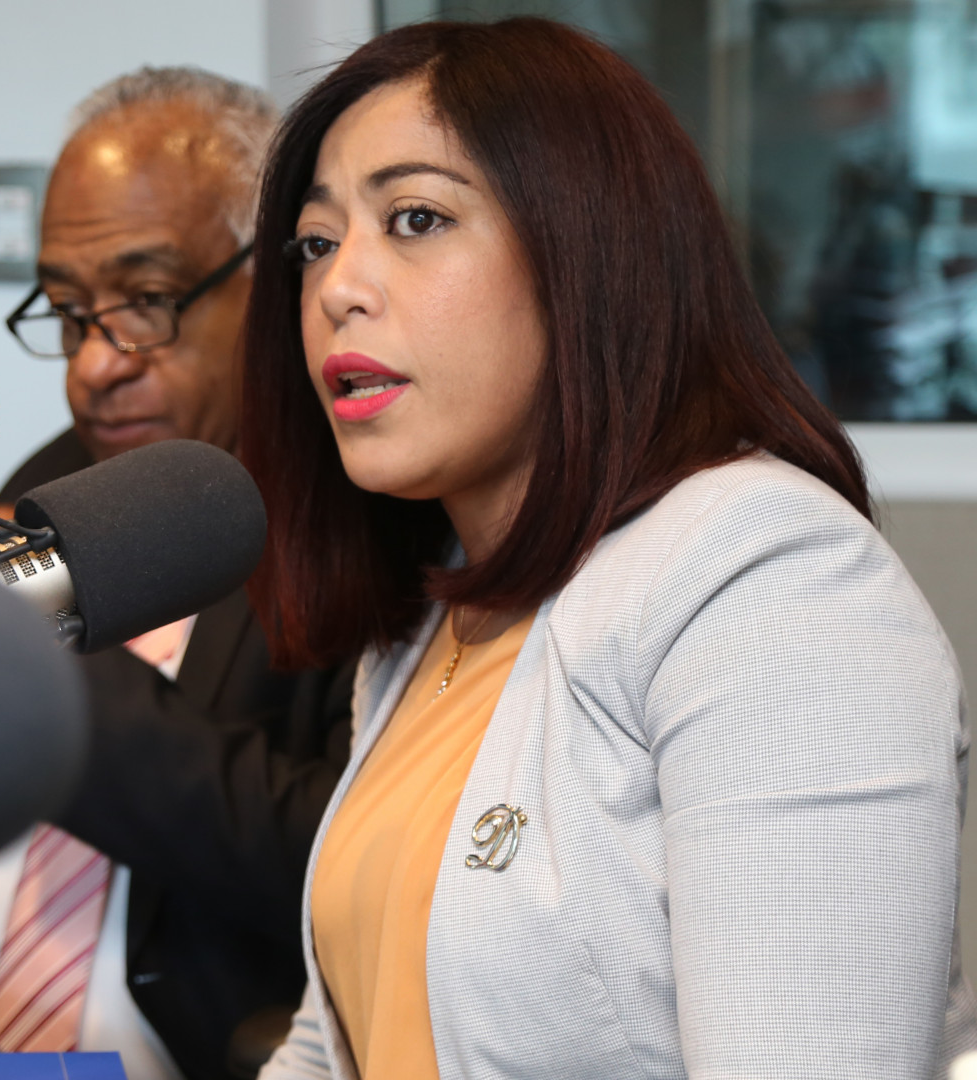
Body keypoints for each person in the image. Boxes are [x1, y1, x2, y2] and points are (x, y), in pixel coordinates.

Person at [236, 19, 975, 1079]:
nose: (338, 286)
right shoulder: (433, 620)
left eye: (415, 219)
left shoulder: (767, 583)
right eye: (316, 241)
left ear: (587, 253)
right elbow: (336, 1038)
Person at [0, 69, 358, 1080]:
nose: (93, 368)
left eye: (149, 302)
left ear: (280, 277)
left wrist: (44, 680)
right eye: (69, 312)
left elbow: (337, 863)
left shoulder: (364, 525)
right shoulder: (44, 487)